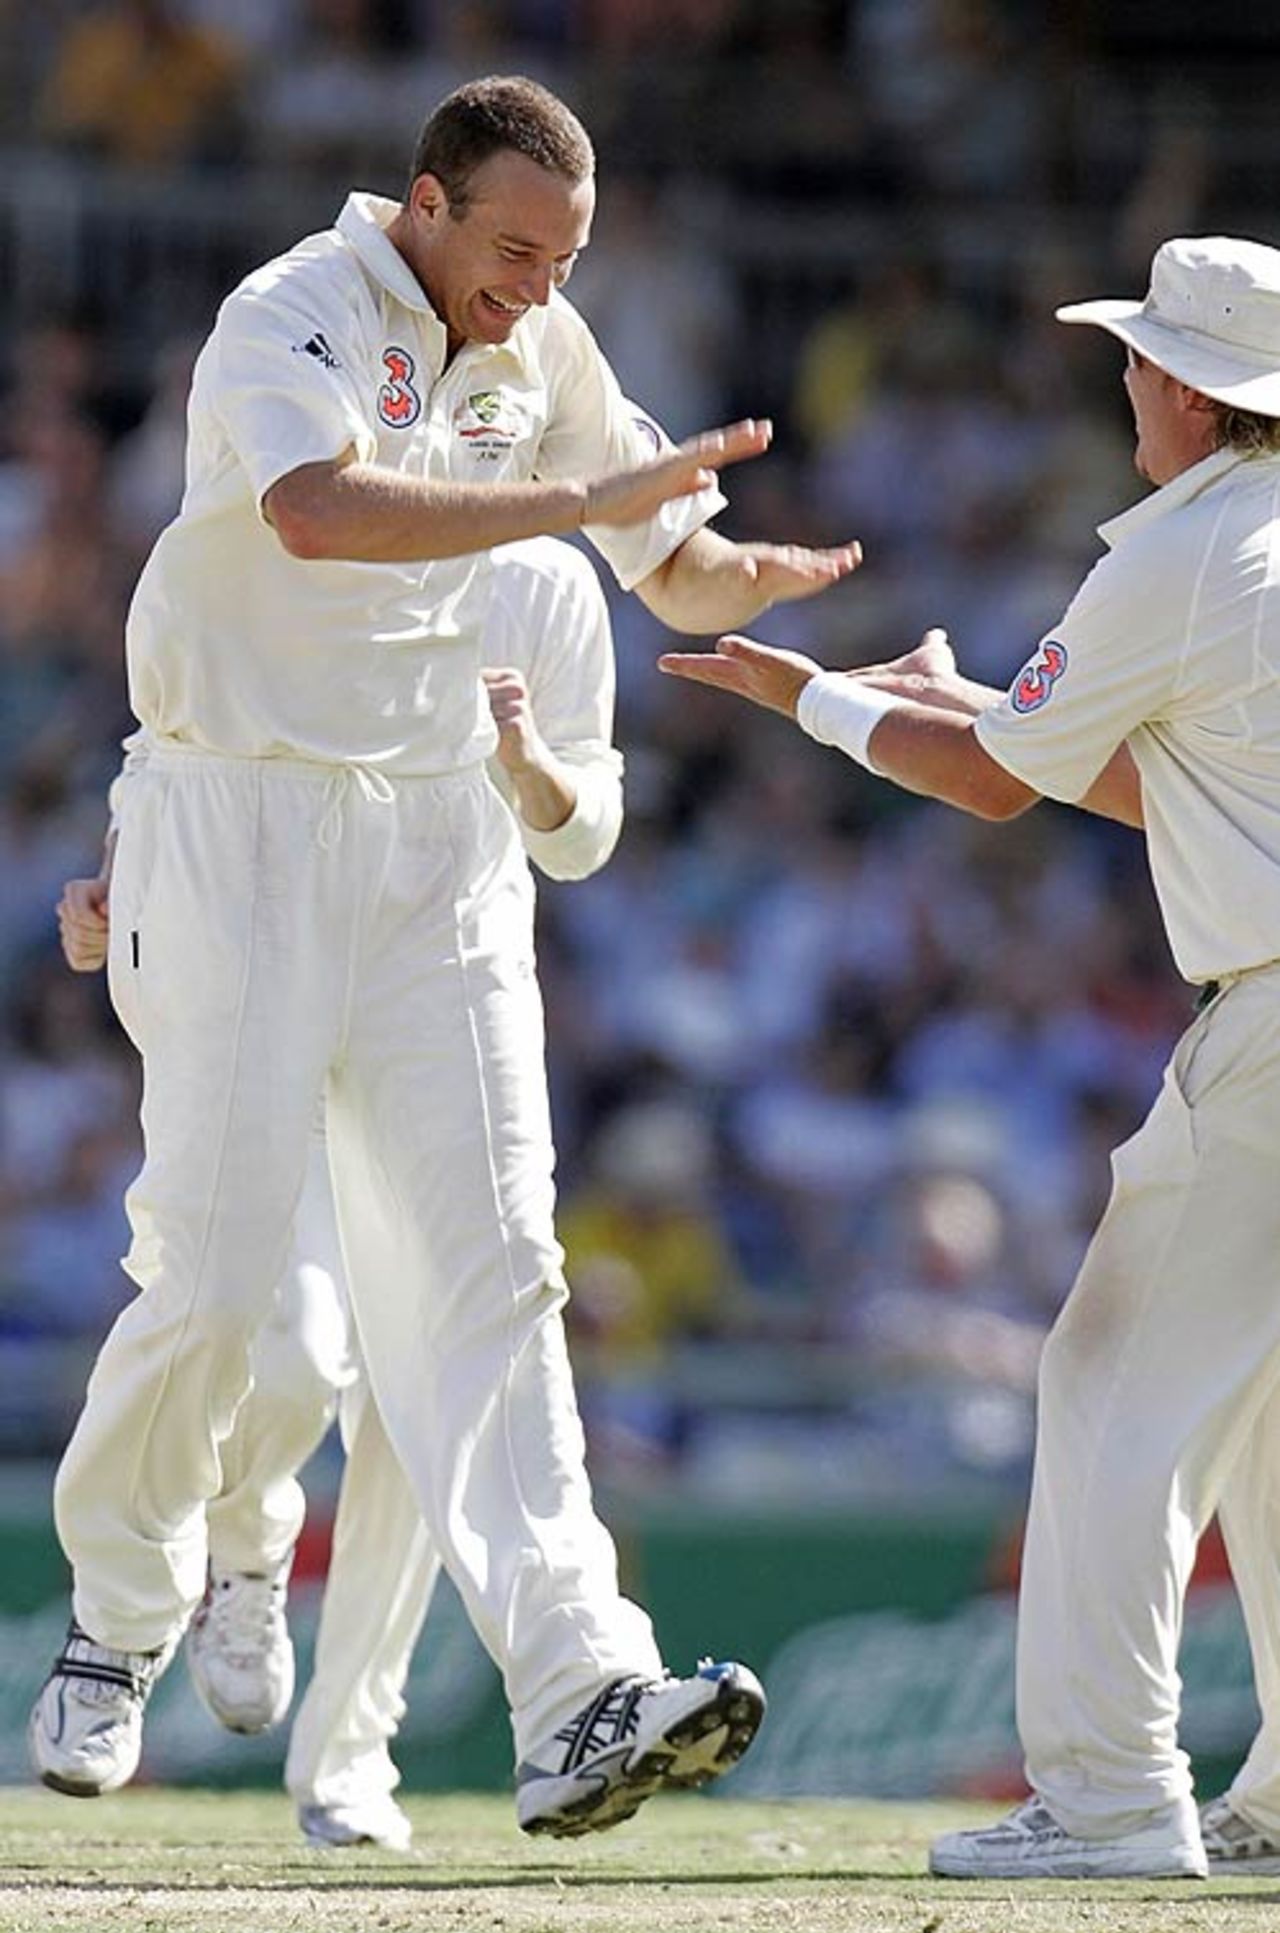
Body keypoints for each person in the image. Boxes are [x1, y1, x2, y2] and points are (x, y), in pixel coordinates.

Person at [29, 73, 858, 1836]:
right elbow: (319, 512)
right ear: (423, 204)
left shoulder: (543, 349)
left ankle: (581, 1684)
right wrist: (569, 509)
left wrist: (744, 576)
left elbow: (669, 563)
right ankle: (119, 1617)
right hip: (241, 817)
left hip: (433, 844)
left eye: (565, 261)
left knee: (499, 1272)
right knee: (227, 1275)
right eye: (512, 252)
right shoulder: (292, 313)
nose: (539, 293)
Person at [660, 234, 1280, 1880]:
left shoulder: (1188, 548)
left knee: (1103, 1383)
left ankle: (1108, 1795)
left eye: (1143, 359)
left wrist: (820, 702)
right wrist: (989, 702)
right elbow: (1177, 782)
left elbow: (1003, 785)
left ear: (1187, 386)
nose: (1124, 379)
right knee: (1270, 1420)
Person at [57, 534, 634, 1852]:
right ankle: (249, 1538)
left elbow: (586, 828)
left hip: (433, 1024)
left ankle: (350, 1752)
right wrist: (123, 886)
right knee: (299, 1348)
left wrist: (527, 762)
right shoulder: (298, 504)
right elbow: (188, 744)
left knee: (422, 1400)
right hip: (272, 1003)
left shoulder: (546, 583)